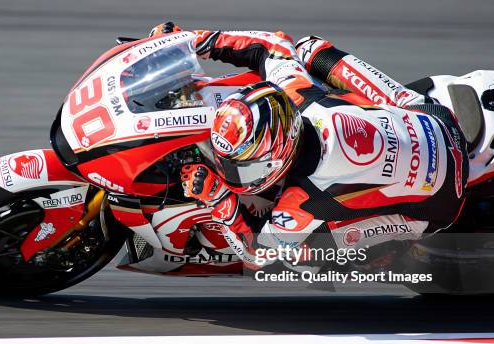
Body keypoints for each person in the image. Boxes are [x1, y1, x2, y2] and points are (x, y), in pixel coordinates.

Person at [149, 22, 471, 267]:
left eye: (243, 165)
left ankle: (384, 255)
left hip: (439, 205)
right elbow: (274, 44)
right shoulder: (299, 96)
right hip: (433, 118)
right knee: (308, 49)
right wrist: (195, 42)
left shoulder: (300, 199)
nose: (234, 172)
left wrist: (218, 196)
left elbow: (255, 254)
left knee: (296, 256)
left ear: (276, 159)